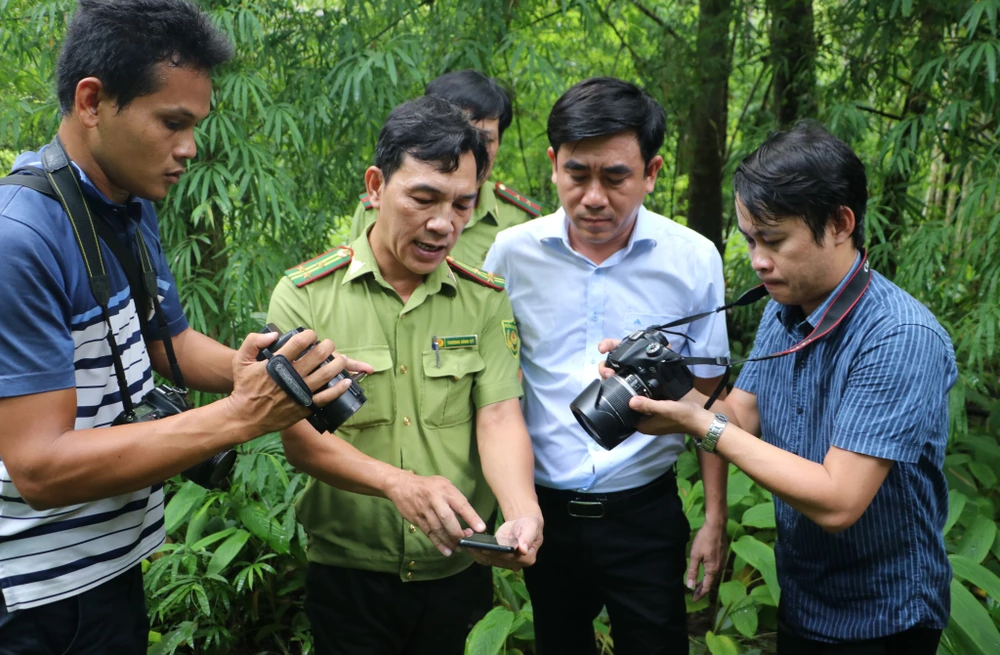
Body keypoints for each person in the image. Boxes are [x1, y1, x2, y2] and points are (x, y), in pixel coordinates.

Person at [0, 0, 365, 653]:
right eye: (171, 122)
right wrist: (241, 416)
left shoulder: (126, 204)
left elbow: (165, 342)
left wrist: (272, 372)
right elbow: (39, 466)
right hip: (37, 601)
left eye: (195, 123)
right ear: (91, 102)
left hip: (110, 570)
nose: (190, 147)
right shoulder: (19, 239)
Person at [616, 121, 955, 654]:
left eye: (773, 240)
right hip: (804, 599)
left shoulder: (898, 337)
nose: (757, 260)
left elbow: (839, 500)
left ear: (840, 223)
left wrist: (699, 421)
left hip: (885, 618)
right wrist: (661, 388)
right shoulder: (786, 306)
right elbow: (743, 417)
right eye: (750, 240)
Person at [267, 95, 544, 655]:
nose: (443, 224)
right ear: (375, 186)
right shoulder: (305, 298)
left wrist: (520, 511)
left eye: (463, 206)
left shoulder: (484, 300)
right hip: (349, 577)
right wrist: (397, 484)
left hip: (457, 571)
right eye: (423, 198)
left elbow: (498, 416)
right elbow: (298, 438)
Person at [483, 77, 730, 655]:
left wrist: (714, 518)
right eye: (578, 173)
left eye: (616, 177)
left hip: (645, 512)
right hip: (545, 513)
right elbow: (493, 391)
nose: (594, 197)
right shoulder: (511, 256)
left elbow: (713, 395)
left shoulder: (692, 259)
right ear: (553, 165)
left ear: (651, 172)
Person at [347, 69, 542, 267]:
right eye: (423, 200)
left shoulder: (521, 220)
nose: (472, 149)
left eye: (484, 139)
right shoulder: (378, 206)